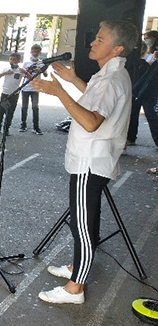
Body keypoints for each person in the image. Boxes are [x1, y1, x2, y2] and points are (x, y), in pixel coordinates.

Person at [33, 20, 138, 305]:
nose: (92, 42)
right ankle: (77, 267)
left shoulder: (111, 80)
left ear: (116, 48)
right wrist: (73, 80)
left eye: (100, 39)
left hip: (89, 162)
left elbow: (91, 121)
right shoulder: (111, 75)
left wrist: (59, 92)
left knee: (82, 225)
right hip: (95, 160)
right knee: (86, 220)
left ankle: (74, 288)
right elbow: (94, 100)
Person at [127, 30, 158, 147]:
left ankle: (131, 137)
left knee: (151, 113)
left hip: (146, 88)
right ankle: (130, 136)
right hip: (144, 87)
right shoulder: (148, 58)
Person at [0, 52, 25, 135]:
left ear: (18, 61)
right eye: (11, 59)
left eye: (14, 60)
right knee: (1, 111)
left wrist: (26, 72)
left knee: (10, 112)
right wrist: (5, 73)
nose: (12, 61)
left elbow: (30, 78)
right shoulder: (6, 68)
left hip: (14, 94)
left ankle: (6, 129)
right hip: (5, 92)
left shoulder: (20, 70)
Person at [19, 45, 45, 135]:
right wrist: (27, 71)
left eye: (37, 51)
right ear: (31, 51)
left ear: (40, 52)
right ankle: (23, 124)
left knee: (35, 107)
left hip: (35, 88)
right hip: (26, 87)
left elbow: (45, 74)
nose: (35, 53)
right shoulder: (26, 62)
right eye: (34, 51)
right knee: (24, 107)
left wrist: (41, 71)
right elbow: (22, 74)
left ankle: (36, 127)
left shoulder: (41, 63)